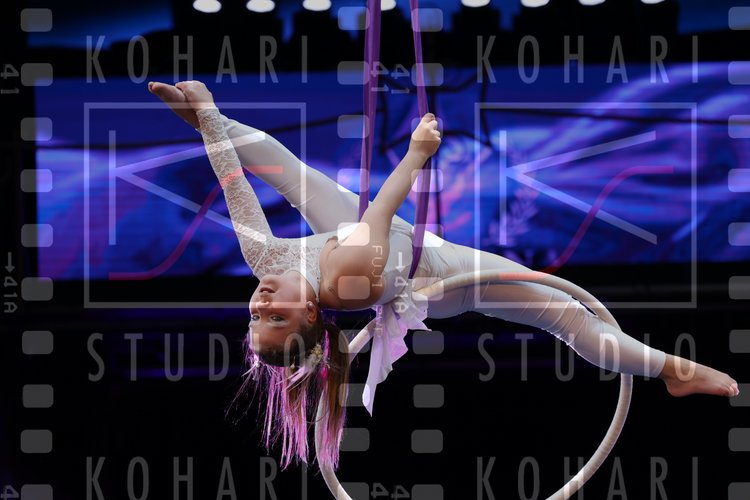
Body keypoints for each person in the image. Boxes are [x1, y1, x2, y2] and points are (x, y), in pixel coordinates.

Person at [148, 80, 739, 472]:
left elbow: (235, 185)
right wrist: (416, 153)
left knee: (283, 166)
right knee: (566, 316)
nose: (259, 301)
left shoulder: (268, 267)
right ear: (308, 314)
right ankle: (674, 370)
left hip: (366, 238)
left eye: (255, 315)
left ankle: (207, 110)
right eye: (274, 317)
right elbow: (381, 214)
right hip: (433, 273)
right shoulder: (349, 281)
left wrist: (207, 119)